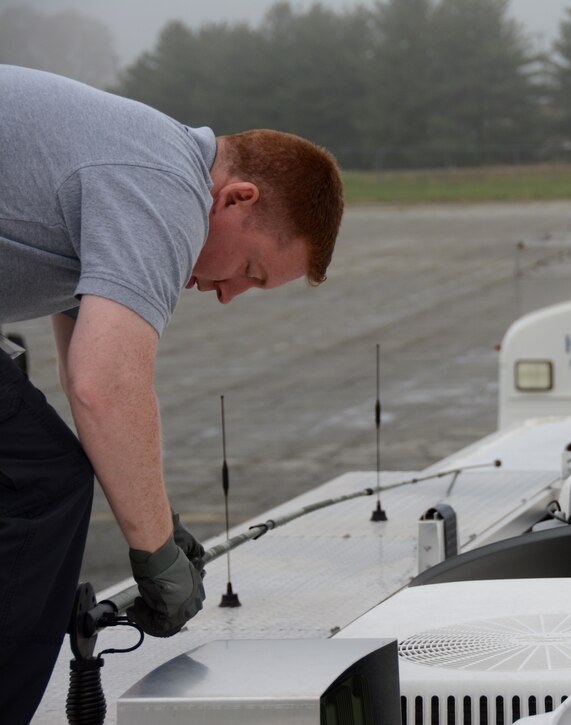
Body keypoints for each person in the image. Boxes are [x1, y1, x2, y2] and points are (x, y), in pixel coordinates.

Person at [0, 65, 344, 722]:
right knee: (39, 479)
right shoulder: (165, 188)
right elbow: (107, 387)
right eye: (249, 270)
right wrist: (155, 553)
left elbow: (87, 377)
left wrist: (158, 521)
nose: (227, 293)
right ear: (237, 199)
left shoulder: (143, 156)